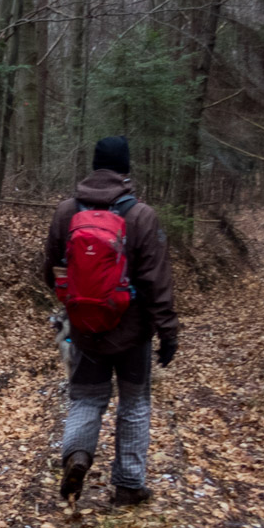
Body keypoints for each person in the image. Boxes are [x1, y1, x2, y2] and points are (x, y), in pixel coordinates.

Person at [41, 136, 179, 505]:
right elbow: (155, 281)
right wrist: (168, 332)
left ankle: (77, 457)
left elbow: (50, 270)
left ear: (94, 165)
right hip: (133, 333)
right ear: (126, 170)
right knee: (133, 405)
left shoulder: (66, 211)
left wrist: (74, 304)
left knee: (85, 400)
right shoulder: (141, 215)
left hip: (85, 329)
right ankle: (129, 486)